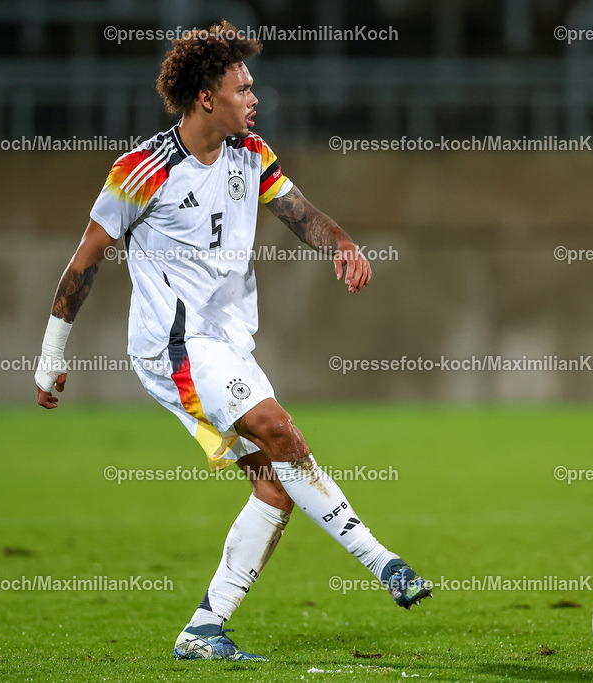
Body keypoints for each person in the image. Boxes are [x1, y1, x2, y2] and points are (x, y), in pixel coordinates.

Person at [33, 20, 431, 662]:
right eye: (242, 87)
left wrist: (344, 244)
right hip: (176, 349)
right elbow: (86, 260)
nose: (253, 98)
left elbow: (299, 213)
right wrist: (52, 356)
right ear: (204, 99)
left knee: (275, 485)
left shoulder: (251, 152)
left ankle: (203, 630)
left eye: (252, 86)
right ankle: (383, 562)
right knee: (281, 433)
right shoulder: (142, 171)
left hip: (227, 344)